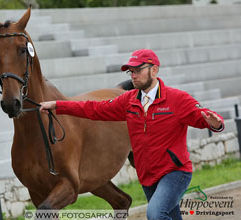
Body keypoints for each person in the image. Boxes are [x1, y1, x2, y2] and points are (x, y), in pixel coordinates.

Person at [39, 49, 224, 220]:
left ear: (154, 70)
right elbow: (93, 108)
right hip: (147, 175)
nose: (133, 75)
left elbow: (201, 116)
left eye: (138, 70)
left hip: (174, 172)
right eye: (131, 71)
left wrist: (215, 123)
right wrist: (58, 105)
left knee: (155, 214)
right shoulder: (128, 101)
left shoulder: (177, 98)